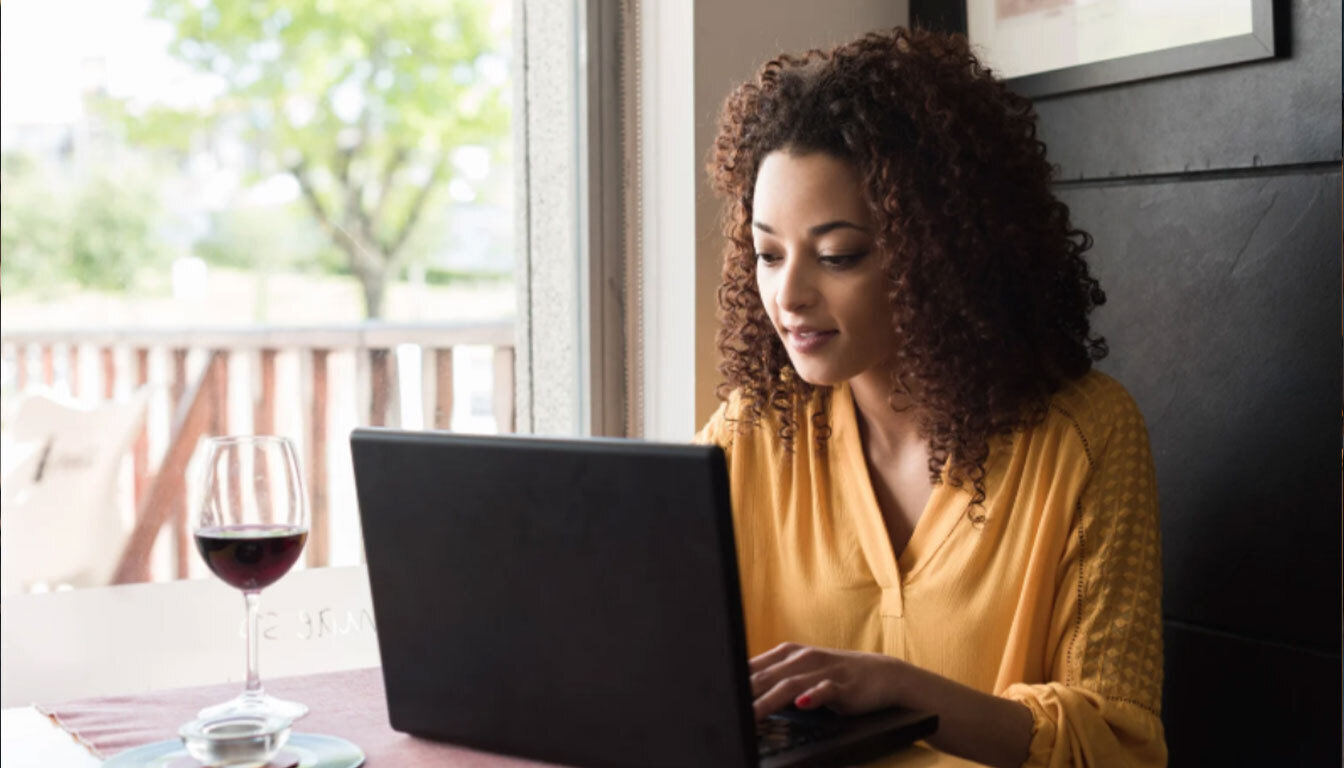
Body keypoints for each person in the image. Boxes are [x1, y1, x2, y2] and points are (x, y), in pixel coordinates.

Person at [695, 28, 1165, 768]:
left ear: (939, 252)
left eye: (838, 255)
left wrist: (906, 694)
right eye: (768, 253)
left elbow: (1117, 745)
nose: (787, 296)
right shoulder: (748, 437)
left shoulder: (1084, 436)